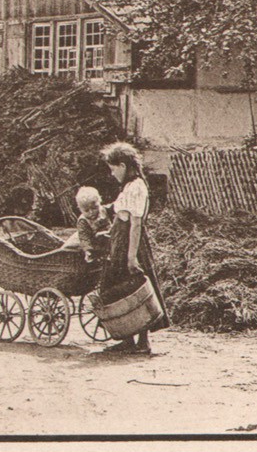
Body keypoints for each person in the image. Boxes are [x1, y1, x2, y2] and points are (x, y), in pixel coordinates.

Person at [96, 142, 168, 354]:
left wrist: (131, 257)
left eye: (113, 168)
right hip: (121, 243)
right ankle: (127, 339)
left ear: (123, 166)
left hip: (130, 244)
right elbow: (120, 210)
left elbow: (135, 224)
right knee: (120, 288)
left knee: (135, 290)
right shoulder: (128, 187)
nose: (112, 174)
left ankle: (143, 342)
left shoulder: (137, 186)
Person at [68, 186, 111, 263]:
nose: (91, 212)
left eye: (94, 208)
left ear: (99, 202)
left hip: (107, 237)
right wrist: (88, 250)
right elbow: (84, 237)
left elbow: (115, 206)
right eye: (86, 210)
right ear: (80, 209)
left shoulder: (103, 210)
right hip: (93, 241)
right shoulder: (83, 221)